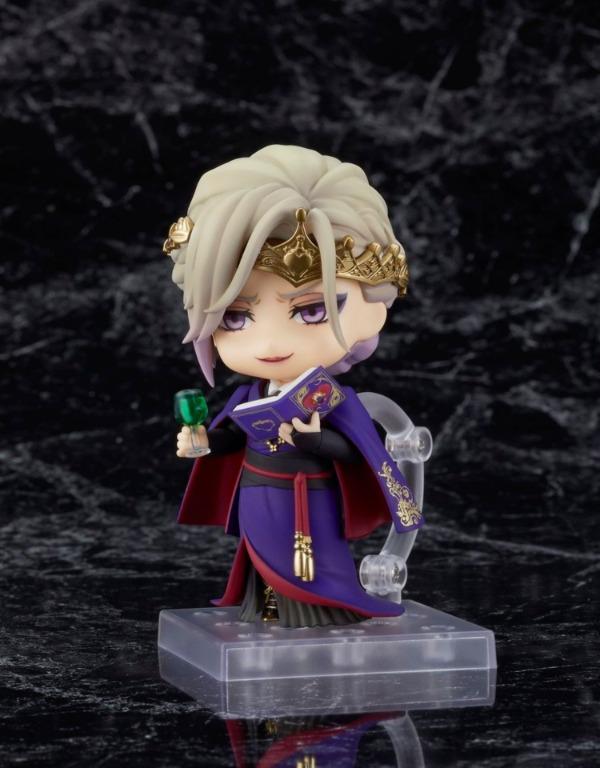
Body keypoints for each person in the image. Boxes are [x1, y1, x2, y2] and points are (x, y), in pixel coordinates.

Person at [165, 145, 423, 627]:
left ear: (372, 309)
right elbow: (234, 434)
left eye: (312, 310)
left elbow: (357, 451)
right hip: (258, 494)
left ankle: (318, 621)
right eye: (236, 318)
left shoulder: (333, 400)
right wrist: (204, 441)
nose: (269, 343)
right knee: (259, 572)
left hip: (309, 501)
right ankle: (266, 615)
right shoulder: (250, 396)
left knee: (313, 574)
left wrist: (315, 440)